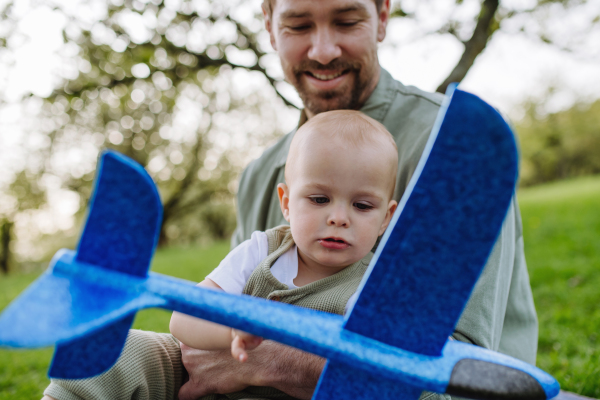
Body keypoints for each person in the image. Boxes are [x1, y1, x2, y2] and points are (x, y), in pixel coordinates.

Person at [45, 0, 538, 398]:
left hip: (400, 386)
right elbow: (214, 328)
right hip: (241, 371)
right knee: (115, 356)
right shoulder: (264, 171)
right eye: (299, 24)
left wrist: (266, 358)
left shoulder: (456, 151)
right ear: (269, 23)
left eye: (346, 20)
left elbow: (452, 368)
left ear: (383, 15)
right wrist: (232, 347)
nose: (323, 50)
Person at [42, 110, 399, 400]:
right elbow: (184, 320)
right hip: (200, 379)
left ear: (386, 218)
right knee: (125, 350)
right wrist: (233, 327)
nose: (339, 216)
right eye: (319, 199)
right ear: (287, 203)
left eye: (362, 205)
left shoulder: (377, 291)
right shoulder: (262, 250)